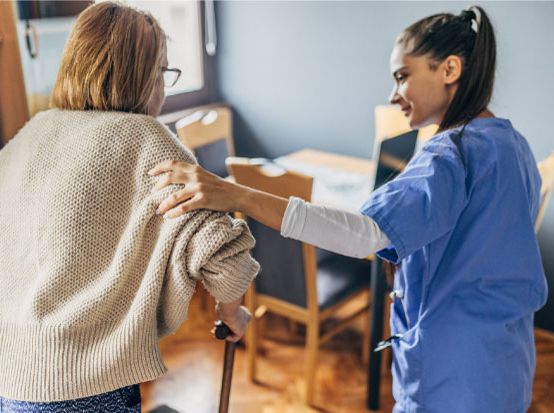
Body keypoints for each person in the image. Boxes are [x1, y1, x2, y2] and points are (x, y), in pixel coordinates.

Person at [150, 6, 547, 412]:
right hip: (506, 364)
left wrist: (240, 196)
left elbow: (365, 234)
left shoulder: (450, 155)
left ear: (449, 69)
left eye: (402, 76)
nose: (394, 95)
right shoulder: (513, 145)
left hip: (452, 375)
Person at [0, 2, 258, 412]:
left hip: (7, 383)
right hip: (84, 387)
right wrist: (232, 312)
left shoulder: (39, 128)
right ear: (140, 75)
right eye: (162, 72)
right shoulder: (147, 139)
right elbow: (223, 255)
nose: (163, 86)